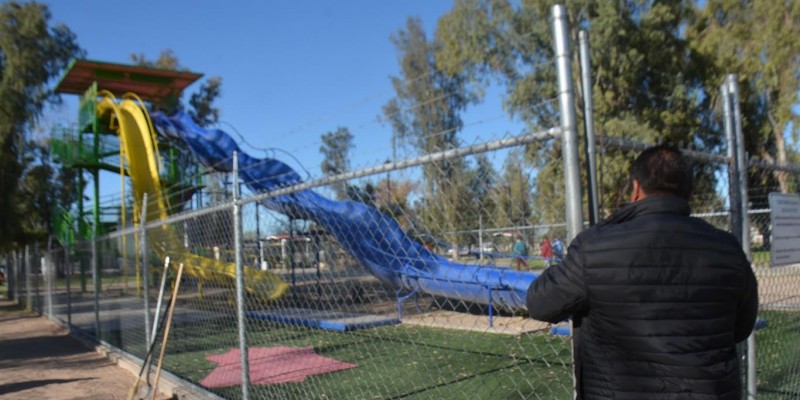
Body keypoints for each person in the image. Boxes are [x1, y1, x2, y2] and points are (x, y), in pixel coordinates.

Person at [526, 145, 758, 399]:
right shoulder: (728, 248)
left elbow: (540, 303)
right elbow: (741, 326)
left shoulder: (594, 247)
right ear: (689, 194)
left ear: (636, 188)